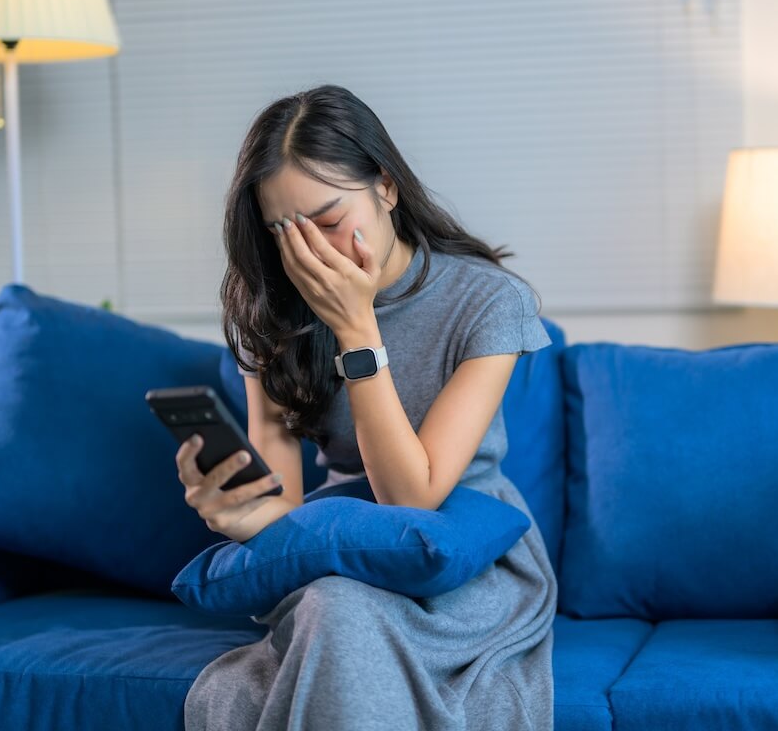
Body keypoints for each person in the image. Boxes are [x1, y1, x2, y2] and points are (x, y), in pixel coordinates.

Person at [177, 84, 556, 731]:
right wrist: (237, 512)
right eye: (283, 235)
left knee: (338, 612)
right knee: (334, 605)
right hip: (337, 551)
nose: (312, 255)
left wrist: (357, 331)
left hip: (461, 559)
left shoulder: (490, 302)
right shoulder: (272, 316)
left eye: (326, 221)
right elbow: (286, 513)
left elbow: (415, 497)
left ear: (385, 186)